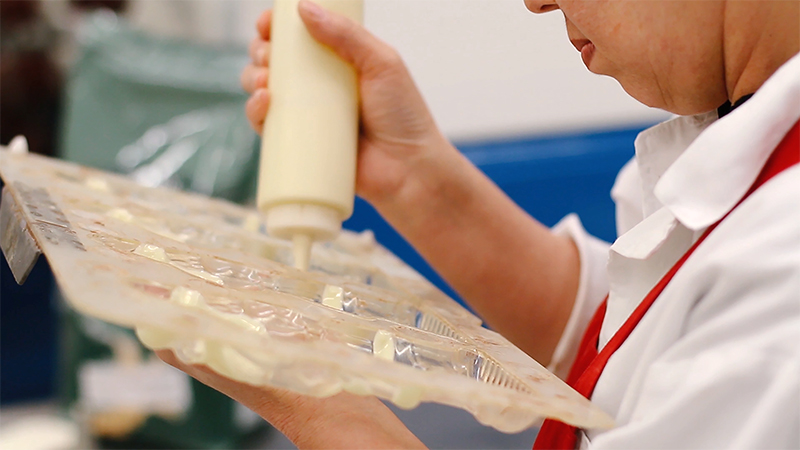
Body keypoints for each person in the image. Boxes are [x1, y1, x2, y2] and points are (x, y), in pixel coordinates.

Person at [159, 0, 800, 448]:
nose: (537, 2)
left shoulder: (784, 274)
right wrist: (411, 175)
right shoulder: (738, 145)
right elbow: (630, 359)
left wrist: (318, 401)